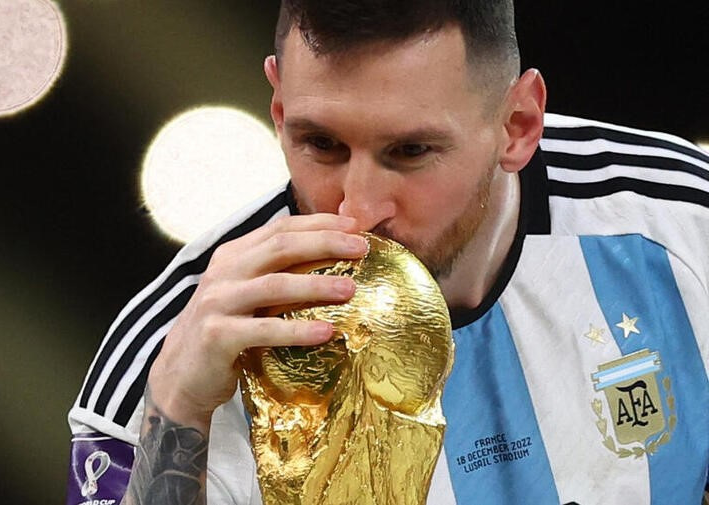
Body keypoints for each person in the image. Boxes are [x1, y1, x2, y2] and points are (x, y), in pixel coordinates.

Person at [66, 1, 709, 504]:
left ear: (517, 128)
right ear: (279, 107)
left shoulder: (683, 227)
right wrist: (177, 404)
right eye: (321, 144)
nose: (358, 208)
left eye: (409, 152)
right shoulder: (177, 348)